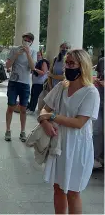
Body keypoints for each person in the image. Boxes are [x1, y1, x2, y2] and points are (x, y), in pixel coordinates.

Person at [39, 49, 100, 214]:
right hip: (58, 144)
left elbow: (79, 122)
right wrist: (45, 122)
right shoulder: (61, 86)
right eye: (67, 63)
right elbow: (43, 110)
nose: (67, 66)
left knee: (73, 192)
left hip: (78, 147)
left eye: (72, 63)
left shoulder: (91, 92)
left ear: (83, 66)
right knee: (58, 188)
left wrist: (52, 117)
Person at [5, 32, 37, 142]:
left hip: (25, 83)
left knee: (23, 109)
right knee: (11, 106)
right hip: (13, 82)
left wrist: (28, 54)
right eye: (25, 39)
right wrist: (16, 55)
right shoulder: (14, 49)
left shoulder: (33, 52)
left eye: (29, 40)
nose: (26, 42)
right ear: (22, 39)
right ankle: (8, 130)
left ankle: (22, 131)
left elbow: (33, 68)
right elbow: (8, 65)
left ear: (32, 42)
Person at [27, 50, 49, 115]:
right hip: (35, 82)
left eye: (39, 55)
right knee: (33, 95)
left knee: (35, 96)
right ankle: (30, 108)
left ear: (42, 56)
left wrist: (35, 69)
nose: (37, 56)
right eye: (36, 55)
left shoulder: (43, 62)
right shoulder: (37, 62)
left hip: (40, 83)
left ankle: (32, 109)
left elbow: (43, 72)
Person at [93, 54, 104, 169]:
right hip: (100, 101)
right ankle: (95, 158)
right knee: (97, 130)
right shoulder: (102, 61)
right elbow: (97, 76)